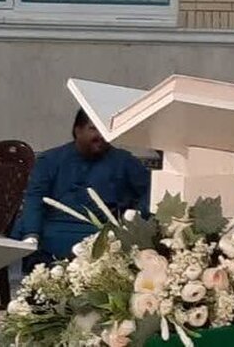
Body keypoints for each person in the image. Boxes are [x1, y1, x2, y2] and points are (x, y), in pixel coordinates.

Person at [15, 109, 150, 270]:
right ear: (77, 130)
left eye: (105, 130)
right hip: (54, 229)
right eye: (93, 129)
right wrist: (31, 234)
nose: (100, 136)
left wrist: (133, 219)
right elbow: (34, 198)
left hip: (102, 233)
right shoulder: (50, 160)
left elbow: (151, 191)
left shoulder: (124, 161)